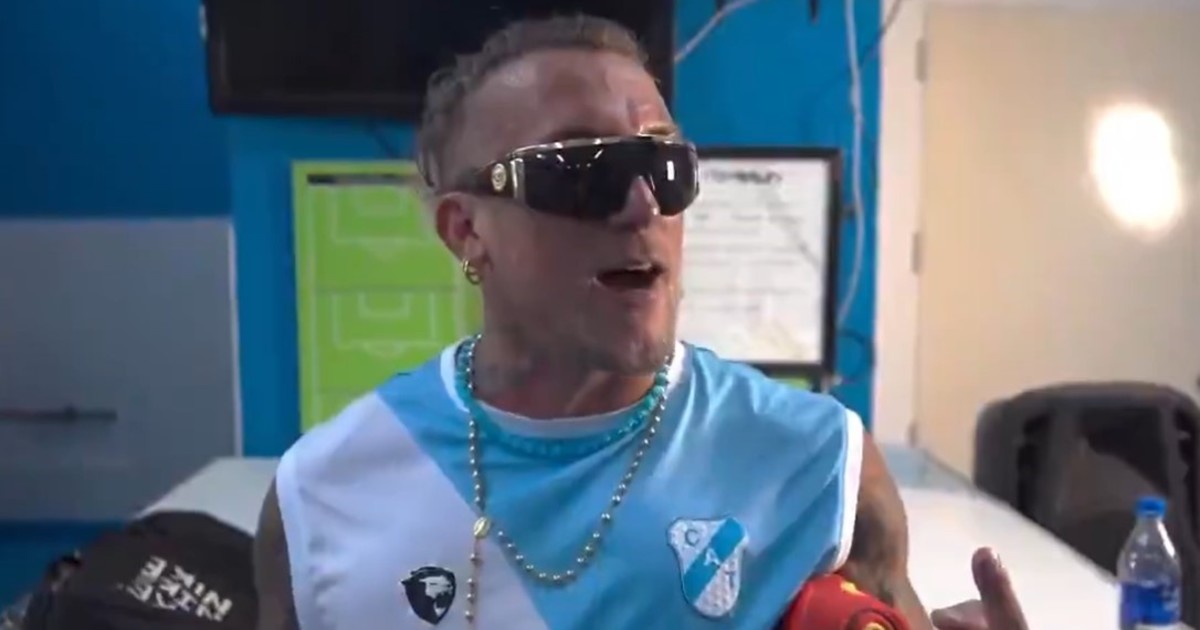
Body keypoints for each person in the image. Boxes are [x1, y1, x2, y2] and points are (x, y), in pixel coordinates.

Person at [254, 14, 1029, 630]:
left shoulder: (821, 469)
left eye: (665, 166)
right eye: (580, 169)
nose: (643, 205)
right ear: (466, 230)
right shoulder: (321, 496)